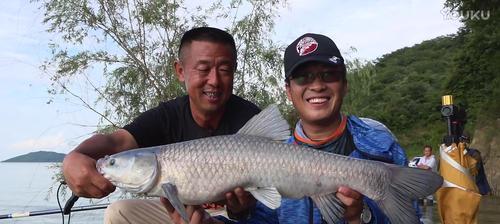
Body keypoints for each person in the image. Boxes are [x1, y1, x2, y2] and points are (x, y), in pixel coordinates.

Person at [61, 27, 260, 224]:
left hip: (233, 217)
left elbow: (271, 208)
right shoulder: (167, 116)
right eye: (203, 69)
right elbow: (117, 141)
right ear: (180, 71)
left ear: (234, 71)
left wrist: (241, 212)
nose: (214, 81)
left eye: (224, 70)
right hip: (179, 209)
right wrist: (73, 158)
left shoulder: (251, 119)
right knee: (118, 212)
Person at [242, 33, 417, 224]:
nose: (317, 86)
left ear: (344, 85)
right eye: (303, 77)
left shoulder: (382, 145)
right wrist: (240, 213)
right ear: (288, 91)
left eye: (329, 75)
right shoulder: (264, 157)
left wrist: (360, 217)